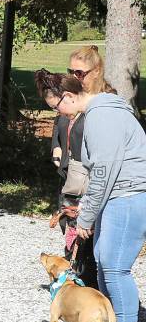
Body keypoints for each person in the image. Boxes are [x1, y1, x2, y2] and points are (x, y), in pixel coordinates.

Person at [35, 69, 146, 322]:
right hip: (116, 196)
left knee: (115, 267)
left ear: (69, 96)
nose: (58, 113)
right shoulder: (96, 113)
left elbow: (104, 171)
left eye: (56, 107)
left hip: (129, 195)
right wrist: (88, 207)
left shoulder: (102, 116)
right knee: (102, 261)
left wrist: (86, 216)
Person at [48, 46, 117, 290]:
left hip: (93, 179)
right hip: (71, 173)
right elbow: (60, 120)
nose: (74, 77)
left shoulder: (104, 101)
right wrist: (57, 146)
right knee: (71, 232)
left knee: (90, 239)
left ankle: (96, 294)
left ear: (96, 71)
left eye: (79, 72)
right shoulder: (72, 96)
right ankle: (78, 285)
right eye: (70, 71)